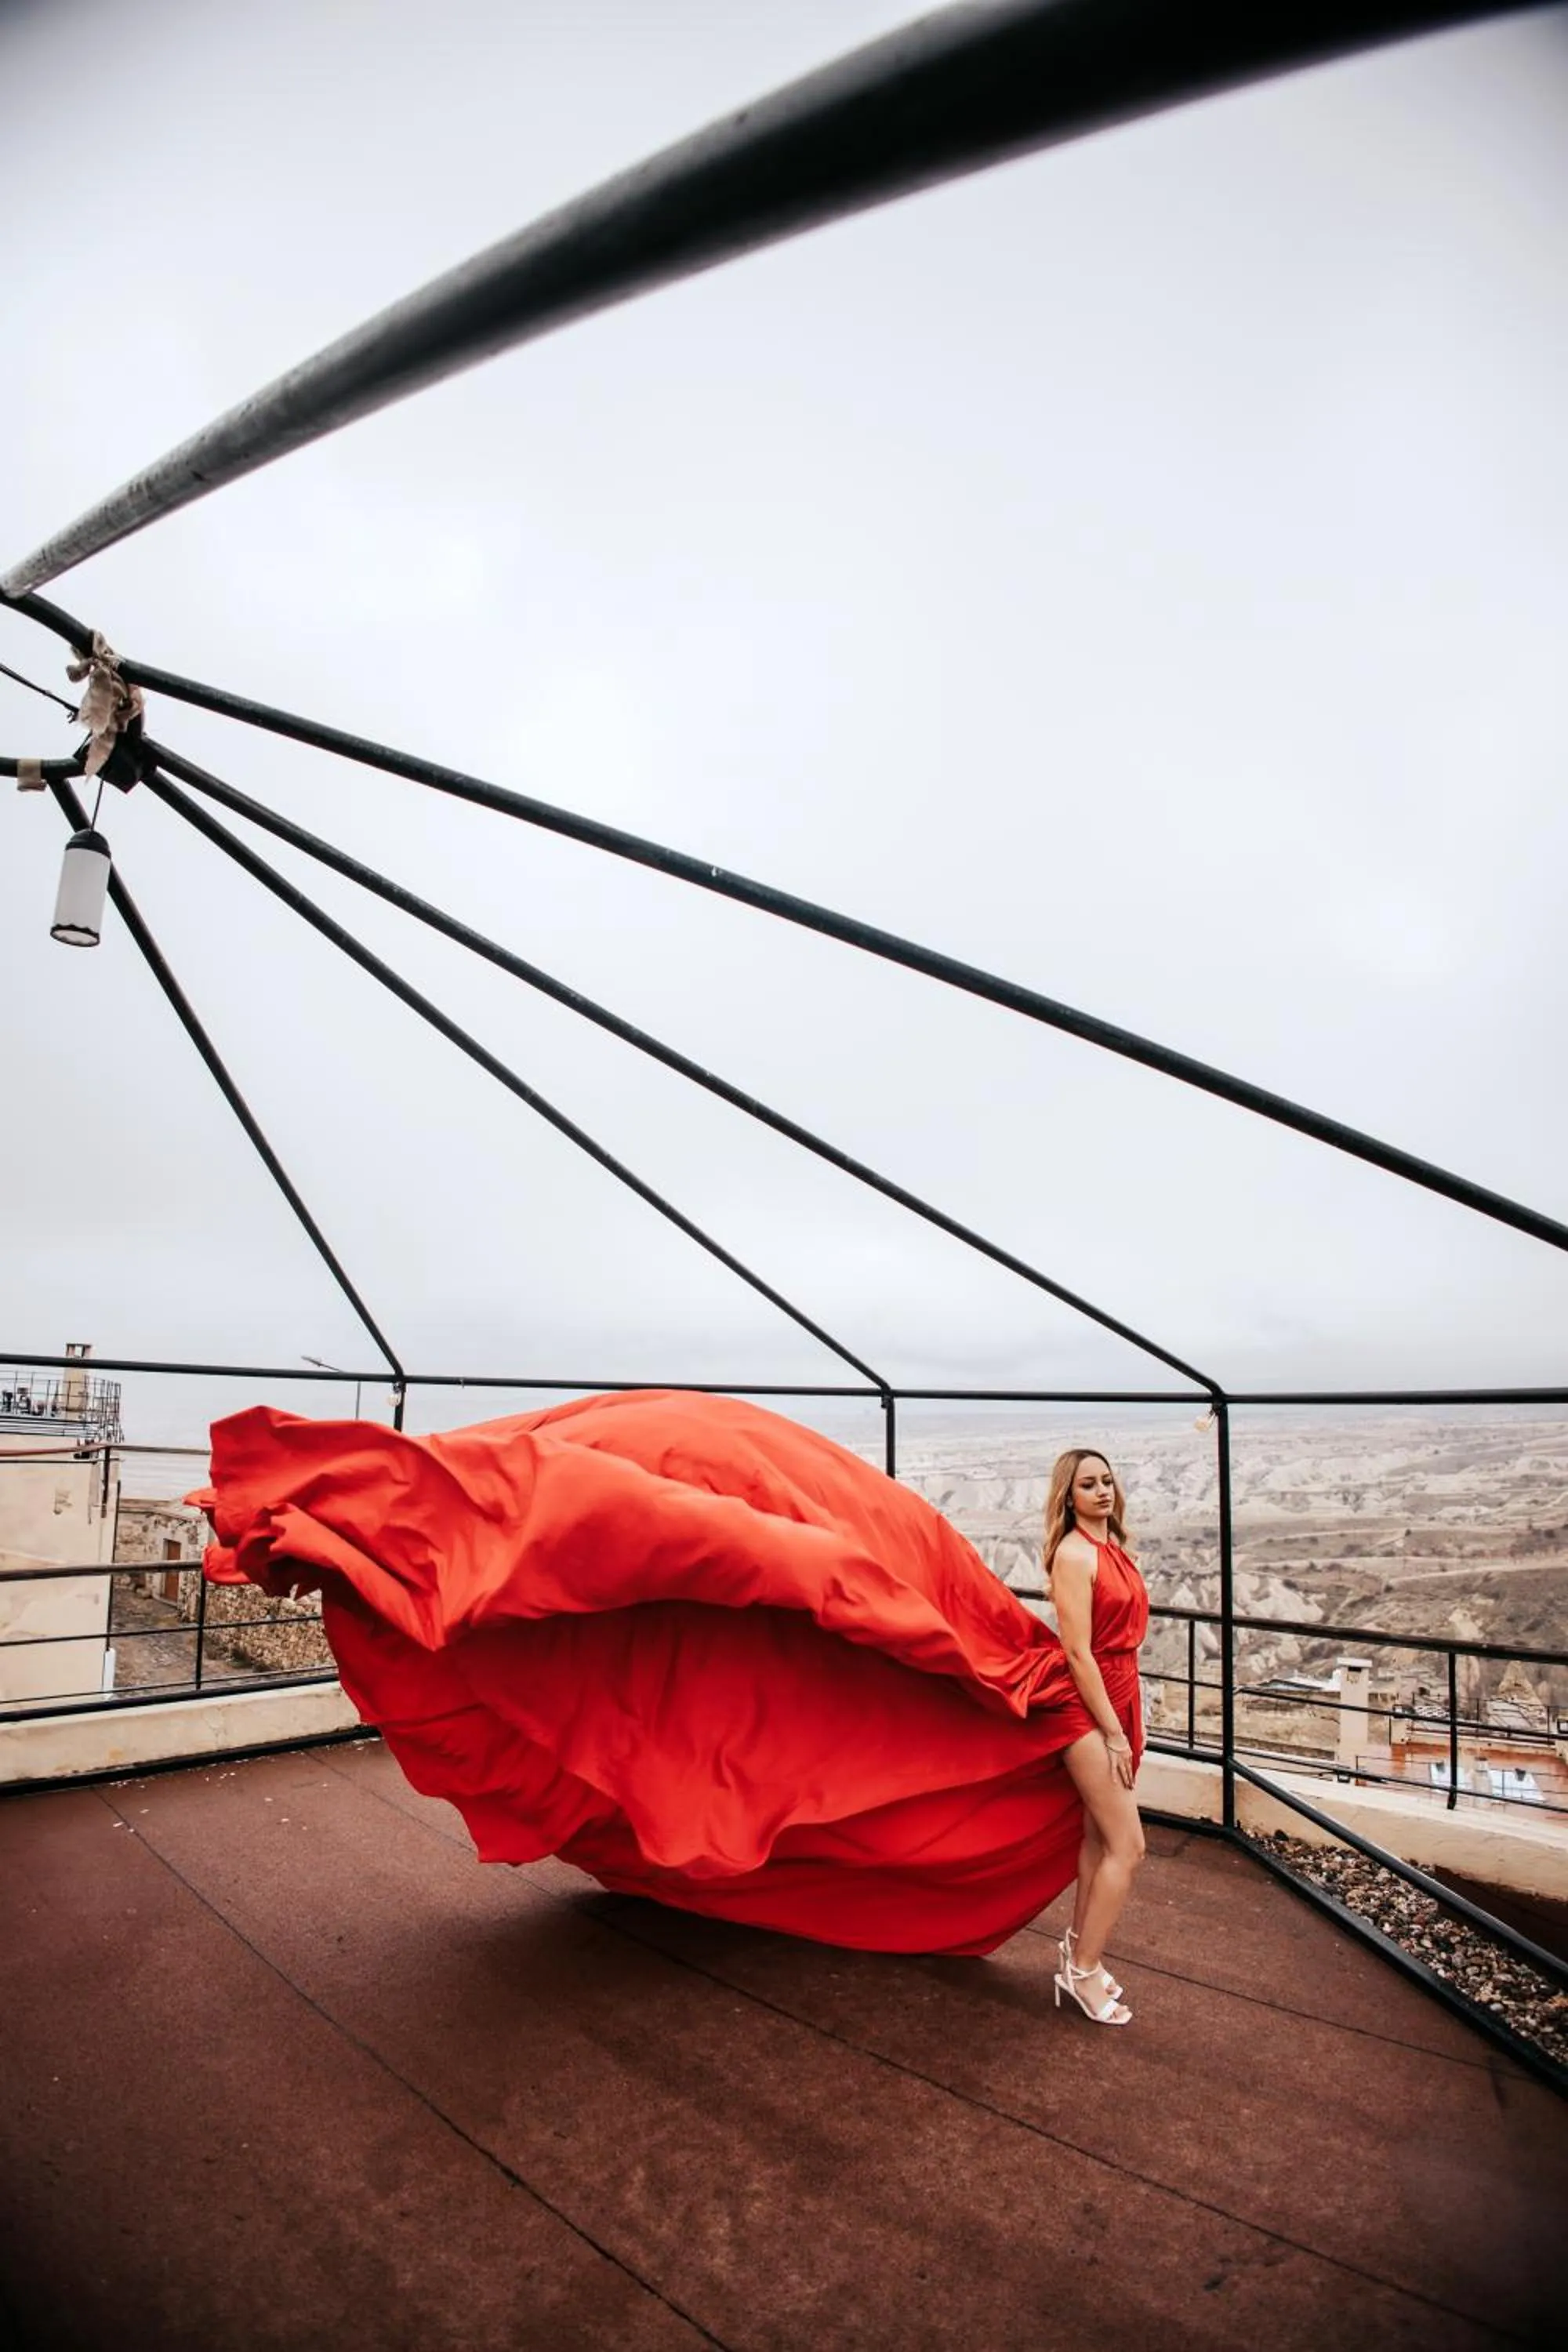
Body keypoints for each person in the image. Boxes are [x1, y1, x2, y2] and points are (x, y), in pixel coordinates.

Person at [1044, 1448, 1149, 2027]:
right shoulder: (1074, 1554)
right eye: (1089, 1484)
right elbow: (1078, 1652)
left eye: (1108, 1480)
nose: (1103, 1491)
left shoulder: (1115, 1548)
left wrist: (1134, 1717)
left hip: (1122, 1695)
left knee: (1095, 1838)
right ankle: (1083, 1971)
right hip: (1090, 1706)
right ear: (1070, 1497)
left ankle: (1075, 1951)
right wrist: (1112, 1730)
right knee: (1129, 1846)